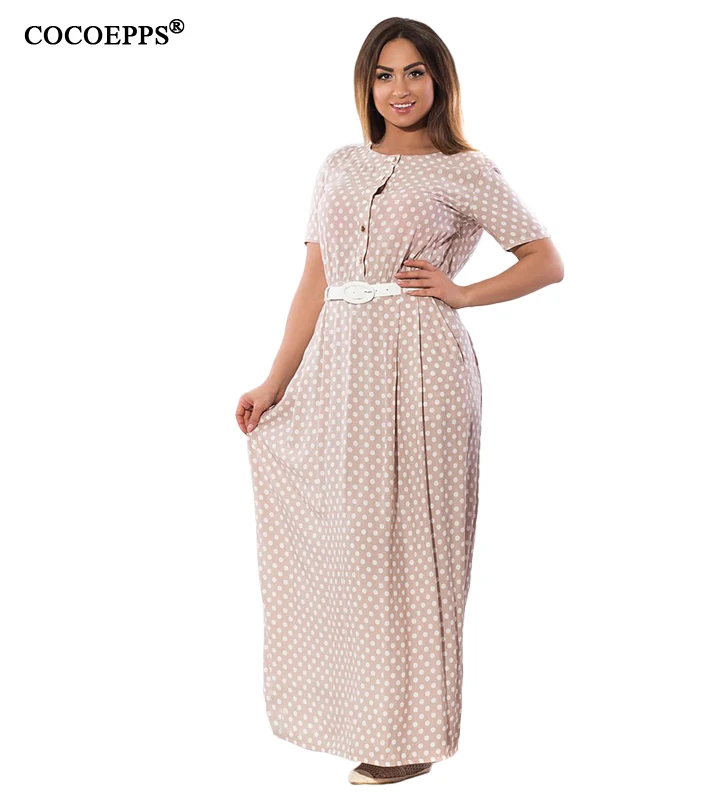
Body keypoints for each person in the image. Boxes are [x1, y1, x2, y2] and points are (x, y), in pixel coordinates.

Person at [235, 17, 564, 786]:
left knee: (414, 552)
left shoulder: (465, 169)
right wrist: (273, 381)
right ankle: (352, 717)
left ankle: (411, 737)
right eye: (384, 74)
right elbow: (314, 283)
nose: (400, 88)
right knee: (350, 549)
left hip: (424, 369)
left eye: (415, 72)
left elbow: (546, 261)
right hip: (340, 369)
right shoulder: (339, 165)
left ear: (439, 80)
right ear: (367, 84)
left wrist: (463, 293)